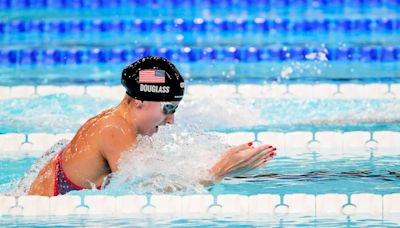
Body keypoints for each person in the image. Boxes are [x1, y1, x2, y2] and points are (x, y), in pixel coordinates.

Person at [28, 56, 277, 196]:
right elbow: (142, 191)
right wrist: (217, 172)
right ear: (140, 101)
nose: (170, 120)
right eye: (168, 109)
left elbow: (155, 173)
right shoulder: (114, 129)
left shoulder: (119, 123)